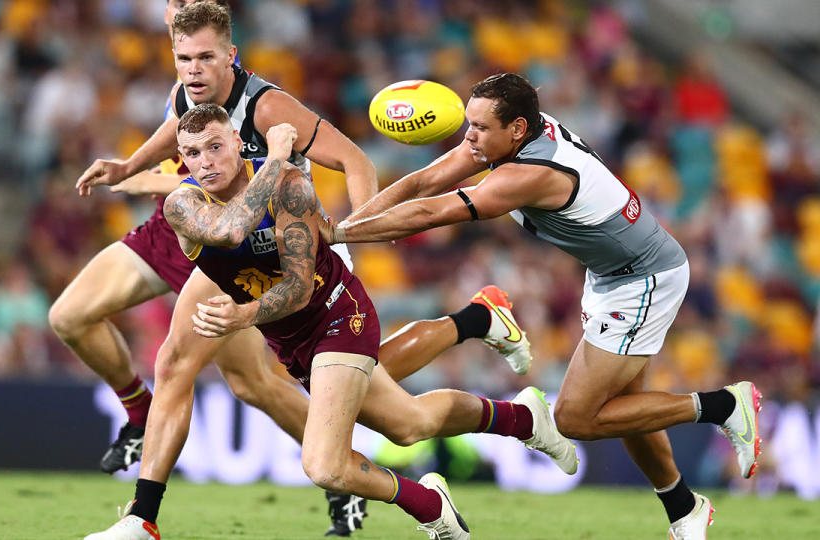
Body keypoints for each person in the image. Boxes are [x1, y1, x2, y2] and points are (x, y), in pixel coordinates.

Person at [68, 2, 532, 537]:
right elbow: (178, 130)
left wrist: (360, 232)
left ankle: (475, 330)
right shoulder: (188, 97)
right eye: (183, 58)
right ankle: (143, 518)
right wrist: (128, 167)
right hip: (235, 252)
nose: (192, 69)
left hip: (297, 255)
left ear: (231, 56)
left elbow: (356, 160)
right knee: (189, 364)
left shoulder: (267, 108)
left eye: (204, 58)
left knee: (391, 409)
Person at [322, 73, 762, 540]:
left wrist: (338, 234)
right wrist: (354, 223)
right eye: (468, 124)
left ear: (515, 129)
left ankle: (722, 406)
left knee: (575, 418)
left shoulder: (529, 175)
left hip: (643, 280)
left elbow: (432, 211)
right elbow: (425, 179)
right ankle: (683, 510)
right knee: (628, 406)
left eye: (480, 127)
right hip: (614, 275)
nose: (469, 137)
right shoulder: (515, 135)